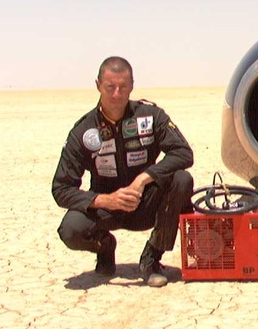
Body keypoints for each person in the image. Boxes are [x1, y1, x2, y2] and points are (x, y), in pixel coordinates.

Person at [52, 56, 194, 287]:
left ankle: (152, 259)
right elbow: (61, 189)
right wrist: (105, 200)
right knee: (71, 230)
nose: (117, 94)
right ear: (98, 85)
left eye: (123, 87)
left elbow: (183, 153)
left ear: (132, 86)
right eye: (110, 87)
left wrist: (143, 179)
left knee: (181, 179)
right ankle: (105, 248)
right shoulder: (84, 131)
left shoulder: (150, 116)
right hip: (105, 209)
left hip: (145, 203)